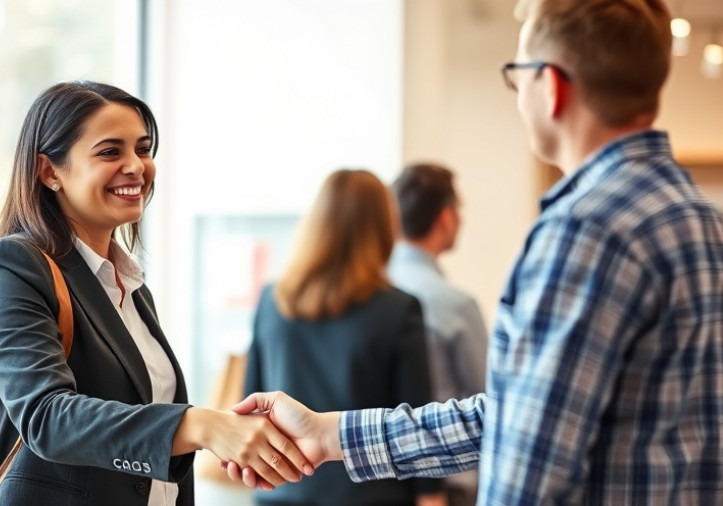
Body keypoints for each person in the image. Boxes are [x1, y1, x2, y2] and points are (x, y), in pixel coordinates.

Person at [228, 0, 723, 504]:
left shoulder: (584, 231)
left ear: (550, 87)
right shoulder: (701, 219)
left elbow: (528, 468)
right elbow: (516, 414)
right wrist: (328, 434)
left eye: (517, 76)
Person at [0, 81, 312, 505]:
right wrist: (202, 426)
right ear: (48, 171)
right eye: (110, 152)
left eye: (143, 149)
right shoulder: (13, 267)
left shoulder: (129, 285)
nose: (136, 166)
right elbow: (46, 418)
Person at [244, 169, 446, 506]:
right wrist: (432, 497)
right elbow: (417, 427)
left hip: (280, 493)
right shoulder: (399, 310)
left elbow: (252, 404)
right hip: (372, 496)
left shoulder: (271, 301)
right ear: (383, 226)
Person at [388, 163, 488, 506]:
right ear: (446, 218)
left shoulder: (368, 298)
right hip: (446, 490)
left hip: (376, 481)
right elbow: (488, 401)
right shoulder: (455, 306)